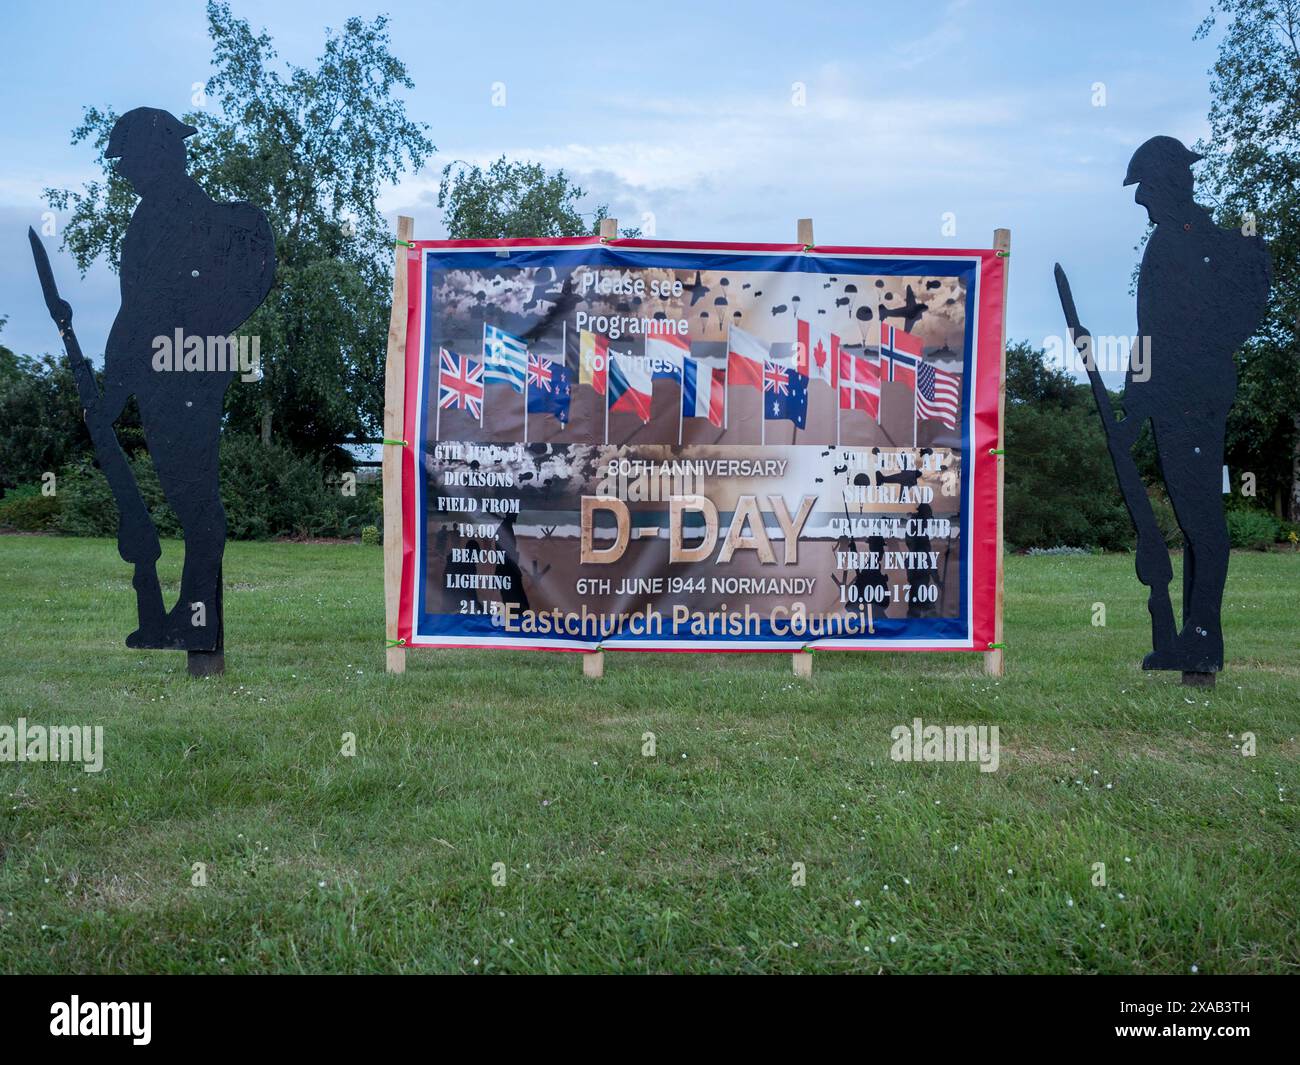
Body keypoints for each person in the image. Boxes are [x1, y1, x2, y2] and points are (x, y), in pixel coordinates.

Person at [98, 107, 275, 649]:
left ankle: (197, 622)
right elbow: (140, 308)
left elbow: (147, 309)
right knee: (189, 497)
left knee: (194, 498)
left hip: (181, 369)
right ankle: (190, 619)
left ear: (159, 155)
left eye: (129, 158)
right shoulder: (157, 215)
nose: (124, 170)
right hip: (170, 368)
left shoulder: (188, 218)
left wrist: (115, 386)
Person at [1116, 136, 1270, 671]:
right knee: (1196, 517)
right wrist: (1135, 404)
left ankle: (1202, 644)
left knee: (1201, 520)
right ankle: (1192, 642)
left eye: (1146, 190)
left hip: (1184, 397)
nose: (1140, 201)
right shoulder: (1186, 239)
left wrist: (1134, 408)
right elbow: (1152, 335)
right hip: (1192, 393)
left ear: (1167, 184)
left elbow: (1153, 334)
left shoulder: (1183, 243)